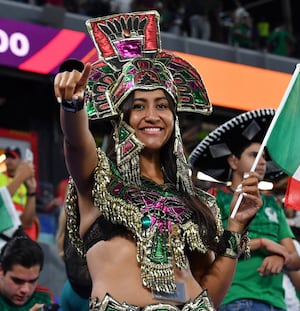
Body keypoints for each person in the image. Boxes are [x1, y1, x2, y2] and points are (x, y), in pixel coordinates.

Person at [53, 10, 261, 310]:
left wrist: (236, 226)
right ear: (122, 117)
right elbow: (75, 141)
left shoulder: (195, 200)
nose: (152, 116)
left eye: (162, 105)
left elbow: (209, 295)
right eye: (139, 106)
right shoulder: (99, 177)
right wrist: (73, 105)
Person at [189, 108, 300, 311]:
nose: (262, 162)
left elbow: (295, 261)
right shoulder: (214, 197)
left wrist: (281, 256)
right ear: (233, 161)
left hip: (276, 303)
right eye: (253, 155)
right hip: (233, 299)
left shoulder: (273, 206)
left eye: (264, 157)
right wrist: (262, 243)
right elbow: (208, 250)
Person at [0, 236, 56, 310]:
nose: (25, 290)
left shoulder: (44, 297)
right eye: (17, 281)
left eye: (32, 281)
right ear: (1, 271)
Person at [0, 147, 38, 240]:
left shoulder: (27, 182)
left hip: (19, 227)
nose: (9, 160)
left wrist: (31, 190)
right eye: (7, 157)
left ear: (20, 161)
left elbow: (27, 223)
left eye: (12, 157)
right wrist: (21, 176)